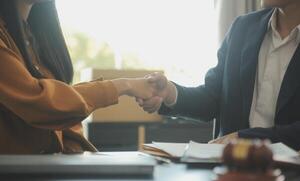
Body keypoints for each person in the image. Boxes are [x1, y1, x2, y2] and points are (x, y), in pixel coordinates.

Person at [138, 0, 300, 150]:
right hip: (231, 171)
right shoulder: (242, 28)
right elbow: (213, 98)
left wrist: (245, 138)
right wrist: (169, 92)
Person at [0, 0, 157, 154]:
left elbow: (59, 117)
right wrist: (124, 85)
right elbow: (40, 103)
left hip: (40, 173)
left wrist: (73, 145)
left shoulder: (35, 37)